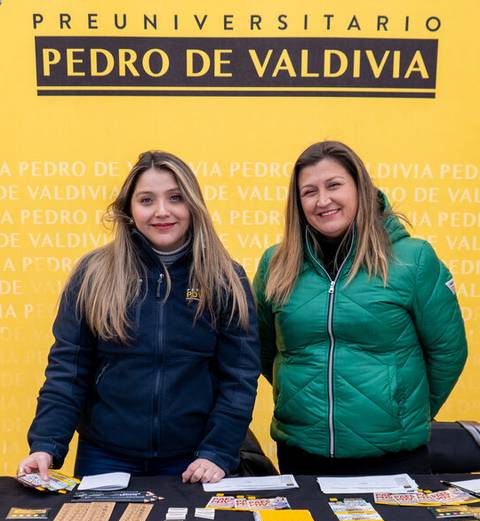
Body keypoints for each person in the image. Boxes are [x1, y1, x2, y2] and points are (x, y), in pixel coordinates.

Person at [18, 151, 260, 483]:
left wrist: (217, 452)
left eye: (175, 198)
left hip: (195, 461)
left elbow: (240, 378)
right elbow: (68, 372)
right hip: (104, 457)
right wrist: (45, 445)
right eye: (147, 200)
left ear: (193, 205)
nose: (162, 211)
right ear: (129, 211)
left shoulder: (225, 278)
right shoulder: (93, 274)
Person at [253, 141, 467, 475]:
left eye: (334, 185)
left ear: (361, 189)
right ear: (298, 203)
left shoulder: (413, 258)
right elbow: (263, 346)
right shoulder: (276, 263)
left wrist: (405, 412)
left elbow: (448, 350)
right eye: (309, 191)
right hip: (300, 451)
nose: (323, 200)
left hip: (394, 456)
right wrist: (292, 395)